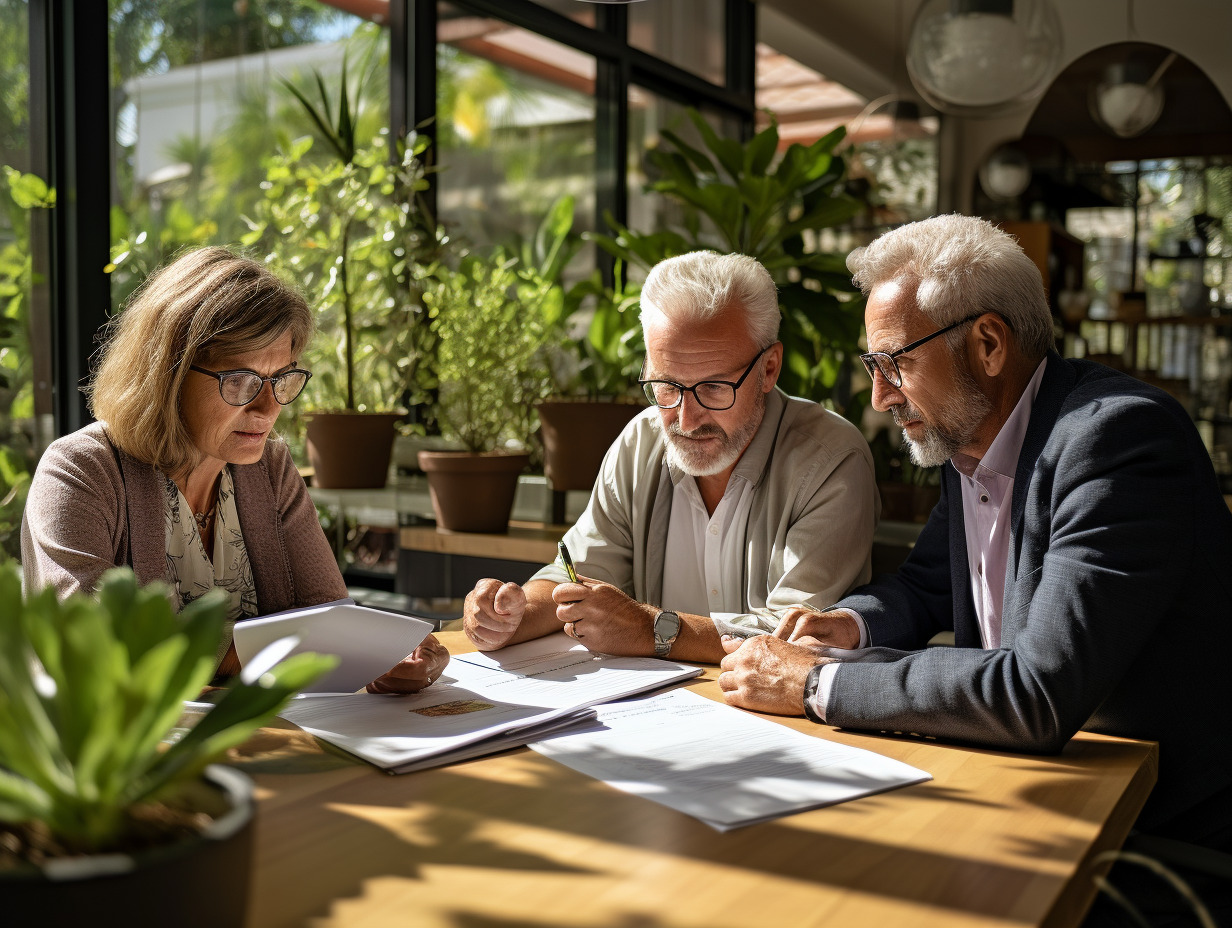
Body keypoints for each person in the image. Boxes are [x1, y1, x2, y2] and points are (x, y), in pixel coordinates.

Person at [718, 215, 1232, 912]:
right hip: (1022, 797)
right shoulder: (968, 439)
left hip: (1150, 851)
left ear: (988, 343)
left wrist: (818, 684)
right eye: (874, 367)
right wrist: (850, 625)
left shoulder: (1117, 441)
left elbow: (1037, 690)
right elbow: (927, 586)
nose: (880, 396)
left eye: (894, 362)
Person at [21, 247, 449, 693]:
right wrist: (310, 650)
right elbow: (93, 641)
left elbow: (329, 613)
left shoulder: (270, 466)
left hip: (268, 738)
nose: (268, 408)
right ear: (168, 375)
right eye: (240, 380)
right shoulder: (79, 470)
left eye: (281, 379)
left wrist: (386, 654)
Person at [463, 250, 878, 662]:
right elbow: (576, 576)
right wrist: (509, 614)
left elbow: (796, 637)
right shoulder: (641, 441)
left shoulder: (832, 461)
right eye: (666, 386)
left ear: (769, 369)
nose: (686, 418)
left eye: (714, 388)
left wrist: (651, 630)